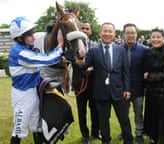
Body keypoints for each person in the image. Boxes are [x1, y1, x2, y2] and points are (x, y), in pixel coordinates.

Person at [8, 16, 64, 144]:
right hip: (23, 96)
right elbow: (46, 59)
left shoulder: (27, 48)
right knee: (19, 130)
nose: (34, 37)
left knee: (37, 126)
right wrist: (60, 45)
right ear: (19, 38)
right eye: (29, 35)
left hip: (33, 92)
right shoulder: (20, 53)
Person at [81, 22, 133, 144]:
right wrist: (79, 59)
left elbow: (126, 72)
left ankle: (128, 140)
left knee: (124, 119)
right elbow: (84, 67)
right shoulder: (93, 51)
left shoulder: (121, 50)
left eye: (110, 31)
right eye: (105, 31)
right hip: (101, 92)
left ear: (114, 34)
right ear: (100, 33)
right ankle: (105, 141)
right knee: (103, 121)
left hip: (119, 91)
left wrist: (127, 89)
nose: (107, 34)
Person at [118, 23, 149, 144]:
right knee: (123, 114)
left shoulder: (145, 50)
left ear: (137, 34)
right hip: (122, 88)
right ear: (124, 34)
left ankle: (139, 133)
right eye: (128, 33)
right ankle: (125, 132)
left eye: (133, 32)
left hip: (139, 88)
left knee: (138, 113)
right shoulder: (117, 49)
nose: (130, 35)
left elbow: (148, 68)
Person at [143, 28, 164, 144]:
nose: (155, 39)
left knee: (163, 117)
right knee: (153, 116)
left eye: (158, 37)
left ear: (163, 38)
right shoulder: (149, 51)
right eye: (153, 37)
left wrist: (149, 76)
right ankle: (155, 138)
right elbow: (145, 68)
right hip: (151, 91)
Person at [71, 20, 100, 144]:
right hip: (80, 84)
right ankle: (85, 135)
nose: (84, 31)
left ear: (90, 31)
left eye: (87, 29)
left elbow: (99, 63)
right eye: (82, 28)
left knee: (95, 110)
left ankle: (95, 131)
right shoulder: (72, 46)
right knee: (81, 111)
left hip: (94, 84)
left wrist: (91, 68)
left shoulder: (96, 46)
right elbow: (70, 60)